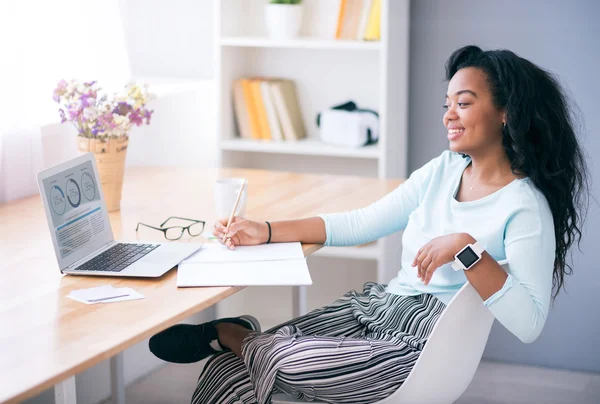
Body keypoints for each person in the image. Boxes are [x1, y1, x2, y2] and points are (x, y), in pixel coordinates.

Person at [149, 45, 588, 404]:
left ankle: (234, 333)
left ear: (506, 112)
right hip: (377, 307)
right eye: (447, 104)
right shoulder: (441, 170)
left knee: (282, 360)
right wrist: (263, 229)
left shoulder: (525, 207)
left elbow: (529, 323)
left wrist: (465, 247)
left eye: (464, 103)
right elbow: (361, 223)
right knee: (228, 369)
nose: (448, 115)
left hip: (421, 346)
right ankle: (241, 342)